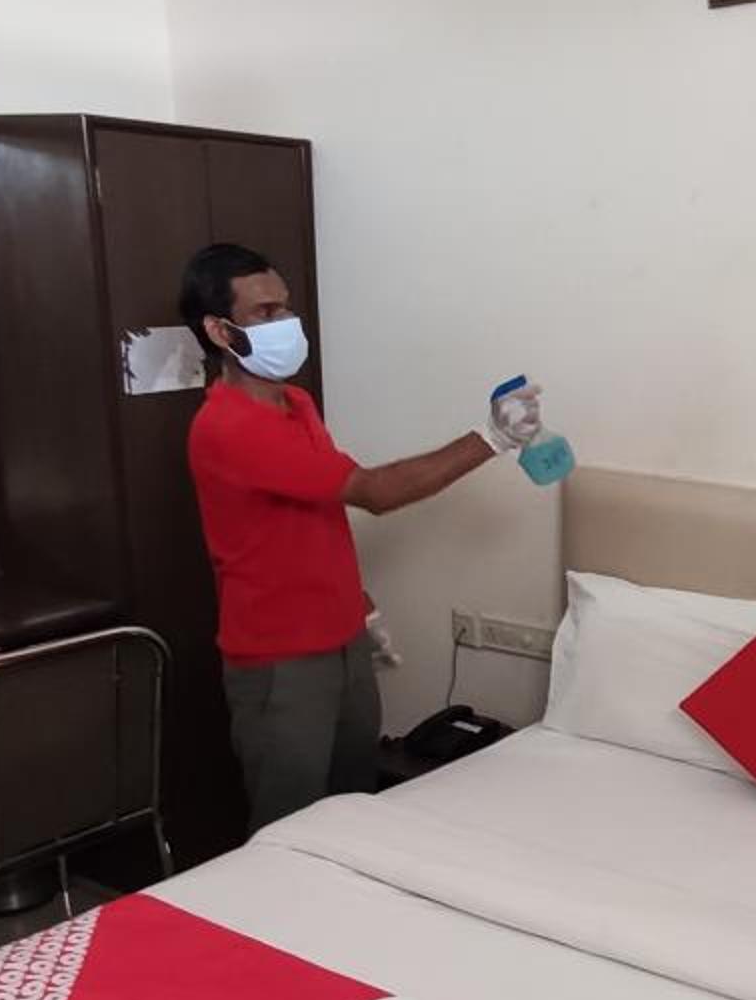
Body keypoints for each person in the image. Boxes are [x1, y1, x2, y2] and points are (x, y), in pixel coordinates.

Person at [181, 242, 539, 829]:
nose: (286, 322)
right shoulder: (227, 427)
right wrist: (491, 439)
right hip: (280, 659)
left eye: (286, 307)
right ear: (221, 331)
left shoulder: (295, 403)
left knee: (351, 809)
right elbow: (372, 491)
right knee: (290, 827)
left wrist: (358, 603)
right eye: (265, 313)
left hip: (342, 639)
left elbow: (315, 511)